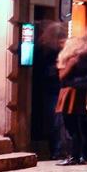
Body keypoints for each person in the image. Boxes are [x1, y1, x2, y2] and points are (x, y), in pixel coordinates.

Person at [57, 34, 87, 164]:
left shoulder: (84, 59)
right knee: (81, 127)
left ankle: (86, 155)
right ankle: (83, 155)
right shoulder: (83, 59)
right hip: (79, 95)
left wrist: (75, 83)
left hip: (83, 96)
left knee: (82, 127)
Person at [33, 20, 68, 161]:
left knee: (58, 121)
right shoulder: (48, 51)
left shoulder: (49, 50)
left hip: (54, 89)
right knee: (56, 121)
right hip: (53, 89)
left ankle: (58, 149)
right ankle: (57, 150)